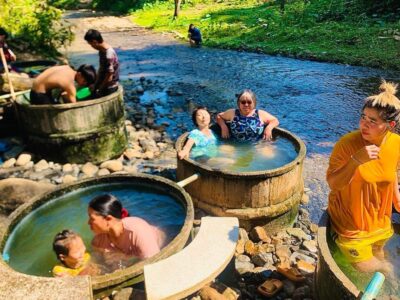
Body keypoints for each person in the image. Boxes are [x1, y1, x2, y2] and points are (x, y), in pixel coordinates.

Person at [327, 80, 400, 274]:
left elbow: (391, 172)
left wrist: (397, 199)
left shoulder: (396, 144)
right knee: (377, 269)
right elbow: (333, 184)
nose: (363, 124)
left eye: (372, 121)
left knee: (380, 254)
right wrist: (355, 161)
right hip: (351, 224)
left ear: (390, 125)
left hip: (380, 222)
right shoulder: (347, 144)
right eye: (363, 117)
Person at [88, 194, 164, 260]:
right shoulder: (98, 241)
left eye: (92, 219)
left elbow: (154, 261)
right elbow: (97, 263)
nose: (88, 222)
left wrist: (126, 258)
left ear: (109, 219)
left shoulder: (138, 231)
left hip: (165, 245)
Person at [30, 64, 96, 105]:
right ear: (79, 74)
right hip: (39, 96)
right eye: (84, 81)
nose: (83, 84)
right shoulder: (69, 85)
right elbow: (74, 106)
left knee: (57, 102)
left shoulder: (66, 67)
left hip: (34, 91)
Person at [84, 29, 120, 97]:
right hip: (103, 84)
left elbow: (109, 76)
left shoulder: (109, 54)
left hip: (110, 86)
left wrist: (100, 89)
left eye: (91, 45)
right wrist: (95, 85)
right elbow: (101, 70)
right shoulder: (102, 51)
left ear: (95, 42)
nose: (92, 47)